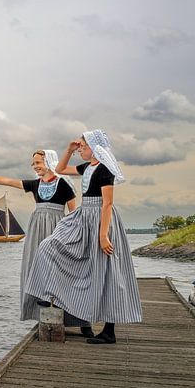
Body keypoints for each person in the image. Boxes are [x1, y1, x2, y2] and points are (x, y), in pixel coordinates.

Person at [25, 130, 143, 345]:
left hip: (101, 219)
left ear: (94, 147)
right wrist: (69, 150)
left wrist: (103, 235)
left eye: (82, 146)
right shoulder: (87, 167)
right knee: (49, 246)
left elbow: (107, 203)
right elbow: (60, 169)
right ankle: (52, 292)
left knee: (106, 272)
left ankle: (109, 331)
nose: (80, 149)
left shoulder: (104, 170)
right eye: (79, 146)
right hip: (84, 216)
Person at [0, 150, 92, 335]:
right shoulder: (35, 184)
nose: (35, 166)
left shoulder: (64, 184)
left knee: (65, 272)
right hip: (37, 229)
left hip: (58, 228)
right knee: (36, 266)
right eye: (33, 164)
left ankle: (82, 321)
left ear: (48, 161)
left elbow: (73, 213)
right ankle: (44, 313)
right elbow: (7, 181)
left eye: (38, 162)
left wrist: (75, 236)